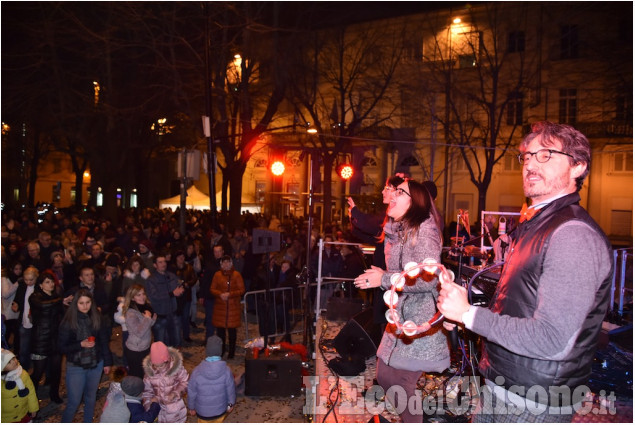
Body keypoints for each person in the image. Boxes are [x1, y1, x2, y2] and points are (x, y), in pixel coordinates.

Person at [437, 122, 614, 422]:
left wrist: (469, 315)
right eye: (528, 156)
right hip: (503, 384)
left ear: (578, 167)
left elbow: (551, 339)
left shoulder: (573, 235)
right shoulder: (536, 225)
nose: (531, 162)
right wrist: (463, 305)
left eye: (546, 154)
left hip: (534, 401)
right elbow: (520, 304)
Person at [354, 178, 449, 423]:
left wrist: (384, 279)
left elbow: (428, 278)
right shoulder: (397, 232)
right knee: (385, 375)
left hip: (419, 322)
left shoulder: (424, 230)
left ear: (415, 201)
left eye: (400, 191)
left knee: (402, 383)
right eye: (392, 190)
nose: (392, 194)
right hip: (399, 317)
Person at [348, 175, 405, 328]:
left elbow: (373, 226)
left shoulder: (398, 219)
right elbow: (376, 236)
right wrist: (354, 221)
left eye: (387, 188)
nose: (382, 192)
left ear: (397, 192)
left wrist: (356, 213)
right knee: (383, 322)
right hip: (384, 276)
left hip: (389, 277)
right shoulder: (390, 216)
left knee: (388, 323)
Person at [58, 288, 113, 422]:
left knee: (90, 398)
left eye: (88, 302)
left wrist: (107, 362)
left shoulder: (96, 317)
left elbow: (104, 341)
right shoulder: (68, 322)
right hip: (76, 366)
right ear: (75, 304)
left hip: (96, 363)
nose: (85, 306)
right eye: (81, 303)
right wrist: (80, 345)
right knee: (74, 402)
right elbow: (60, 347)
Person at [27, 271, 64, 404]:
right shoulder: (35, 297)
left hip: (55, 338)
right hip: (40, 339)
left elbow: (62, 314)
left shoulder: (56, 297)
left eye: (52, 281)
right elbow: (43, 305)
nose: (51, 284)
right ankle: (30, 397)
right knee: (38, 372)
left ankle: (54, 394)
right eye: (47, 282)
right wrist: (60, 300)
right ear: (41, 285)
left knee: (56, 370)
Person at [187, 336, 236, 422]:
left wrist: (191, 407)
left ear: (206, 351)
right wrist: (230, 405)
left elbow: (191, 392)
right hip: (220, 411)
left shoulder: (196, 371)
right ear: (220, 352)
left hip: (202, 413)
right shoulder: (226, 371)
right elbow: (231, 390)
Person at [141, 341, 189, 423]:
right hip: (159, 412)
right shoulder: (149, 373)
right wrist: (149, 405)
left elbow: (185, 382)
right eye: (155, 365)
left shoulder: (176, 368)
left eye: (161, 365)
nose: (158, 368)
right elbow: (146, 392)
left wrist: (175, 393)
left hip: (176, 411)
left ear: (167, 360)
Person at [145, 254, 184, 347]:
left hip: (173, 313)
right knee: (161, 344)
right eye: (160, 262)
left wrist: (181, 289)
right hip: (160, 316)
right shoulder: (151, 280)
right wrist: (172, 294)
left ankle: (174, 360)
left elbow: (178, 285)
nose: (163, 264)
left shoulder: (171, 275)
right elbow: (154, 296)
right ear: (155, 265)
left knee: (176, 341)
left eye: (164, 261)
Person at [211, 256, 245, 359]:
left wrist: (230, 294)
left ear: (231, 263)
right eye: (224, 262)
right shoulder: (217, 275)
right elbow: (212, 289)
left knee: (232, 333)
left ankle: (231, 352)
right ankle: (221, 351)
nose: (226, 264)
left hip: (233, 307)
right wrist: (220, 294)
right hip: (220, 308)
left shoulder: (236, 275)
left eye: (227, 262)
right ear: (221, 264)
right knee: (220, 332)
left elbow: (242, 290)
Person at [122, 285, 156, 378]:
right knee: (136, 376)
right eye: (138, 295)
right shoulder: (131, 313)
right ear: (132, 298)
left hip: (145, 347)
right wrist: (148, 319)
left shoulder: (142, 307)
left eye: (143, 294)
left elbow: (147, 327)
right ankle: (133, 392)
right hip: (135, 350)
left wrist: (152, 319)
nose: (142, 297)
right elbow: (139, 332)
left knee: (144, 373)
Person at [1, 349, 39, 423]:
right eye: (9, 362)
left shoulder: (23, 373)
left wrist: (33, 408)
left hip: (23, 412)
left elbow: (31, 392)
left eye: (14, 358)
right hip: (6, 418)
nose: (14, 362)